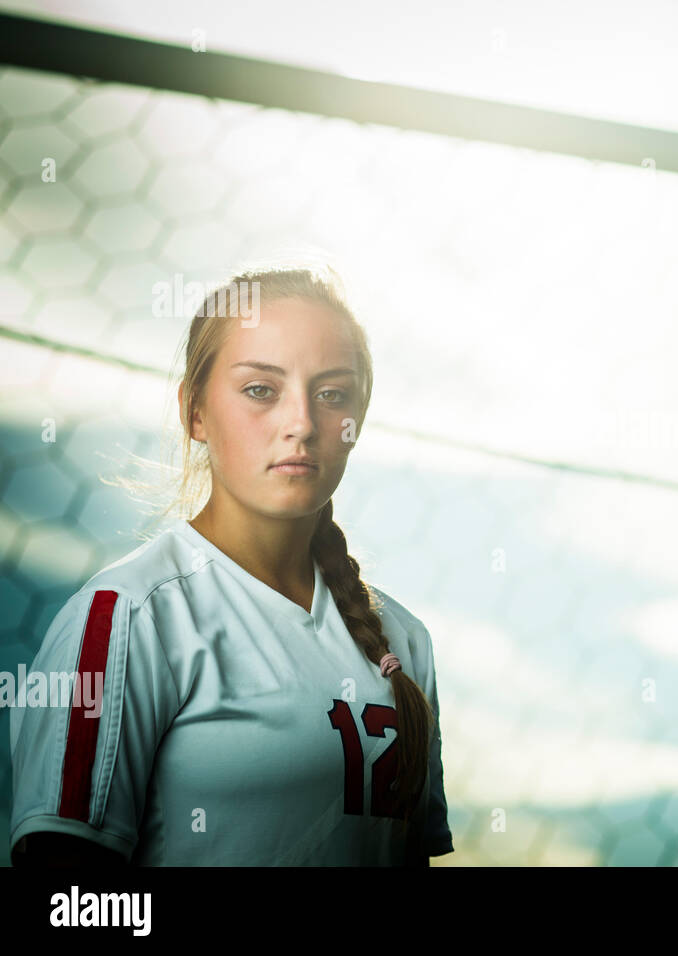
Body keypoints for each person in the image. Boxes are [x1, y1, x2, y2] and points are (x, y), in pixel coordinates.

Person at [8, 263, 452, 865]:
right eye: (261, 390)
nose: (300, 424)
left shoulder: (403, 640)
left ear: (357, 422)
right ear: (195, 411)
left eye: (331, 394)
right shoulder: (129, 619)